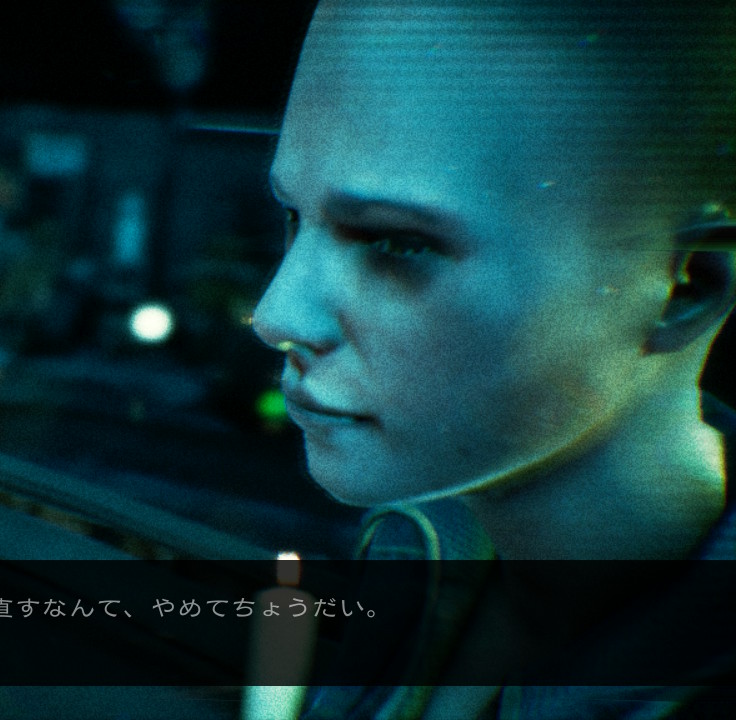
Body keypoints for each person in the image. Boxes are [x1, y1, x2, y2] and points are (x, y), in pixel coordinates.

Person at [251, 0, 736, 717]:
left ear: (683, 287)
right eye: (294, 218)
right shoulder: (415, 550)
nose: (276, 316)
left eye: (399, 244)